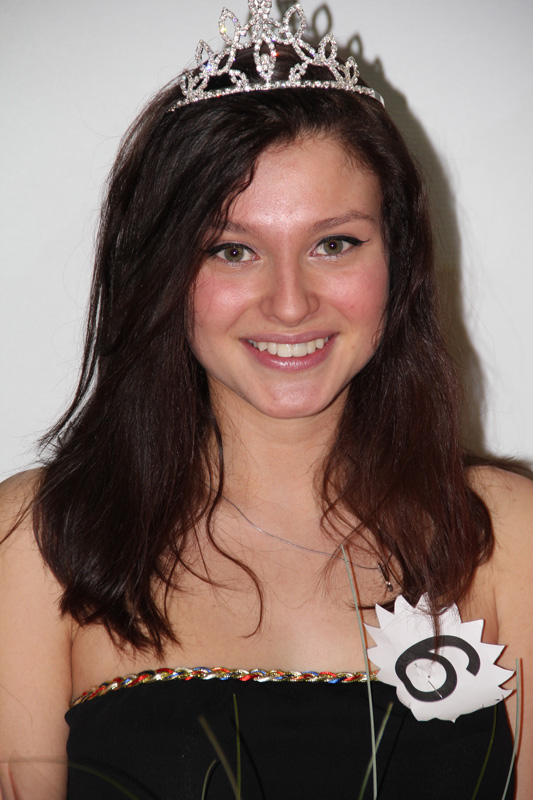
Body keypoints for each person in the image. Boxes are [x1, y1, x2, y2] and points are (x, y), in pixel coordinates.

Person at [1, 1, 532, 798]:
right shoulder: (39, 541)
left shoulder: (506, 537)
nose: (289, 303)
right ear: (162, 273)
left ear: (398, 262)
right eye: (232, 250)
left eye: (333, 244)